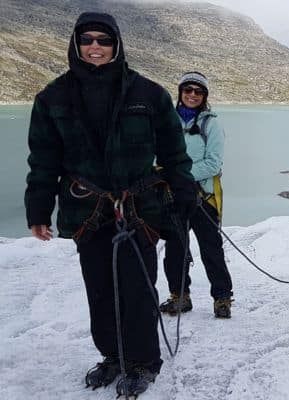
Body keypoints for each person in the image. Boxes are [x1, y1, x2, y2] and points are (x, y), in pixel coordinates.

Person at [24, 12, 197, 397]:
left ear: (117, 44)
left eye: (104, 40)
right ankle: (113, 356)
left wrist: (185, 191)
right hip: (88, 210)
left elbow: (173, 151)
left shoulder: (149, 94)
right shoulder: (52, 98)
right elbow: (44, 160)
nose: (96, 47)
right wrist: (38, 209)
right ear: (76, 44)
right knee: (99, 286)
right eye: (88, 40)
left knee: (137, 285)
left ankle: (143, 361)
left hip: (139, 208)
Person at [159, 72, 234, 318]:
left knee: (211, 248)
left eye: (198, 91)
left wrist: (178, 174)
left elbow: (213, 164)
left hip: (202, 197)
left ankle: (222, 298)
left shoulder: (211, 124)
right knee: (175, 249)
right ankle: (180, 296)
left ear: (204, 96)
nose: (192, 95)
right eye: (187, 90)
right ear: (180, 92)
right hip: (173, 196)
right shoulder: (165, 121)